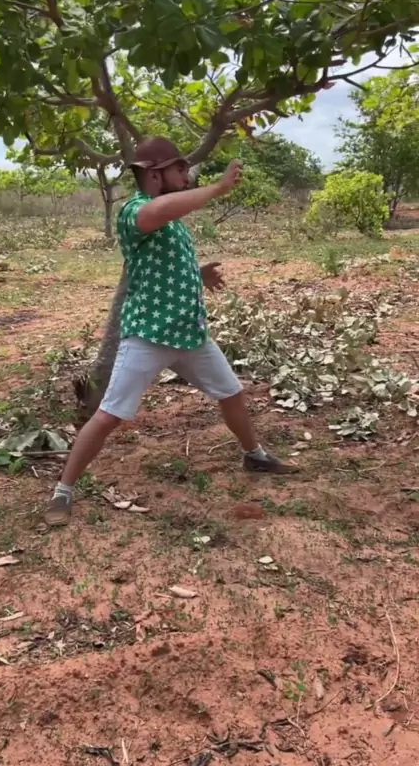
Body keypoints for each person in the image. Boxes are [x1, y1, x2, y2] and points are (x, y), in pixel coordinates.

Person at [45, 137, 297, 527]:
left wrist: (197, 274)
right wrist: (216, 189)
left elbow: (159, 264)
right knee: (110, 415)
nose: (186, 175)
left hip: (189, 334)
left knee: (231, 392)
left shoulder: (171, 221)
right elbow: (155, 212)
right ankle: (63, 490)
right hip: (148, 335)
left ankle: (254, 455)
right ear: (154, 175)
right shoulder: (134, 212)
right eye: (179, 169)